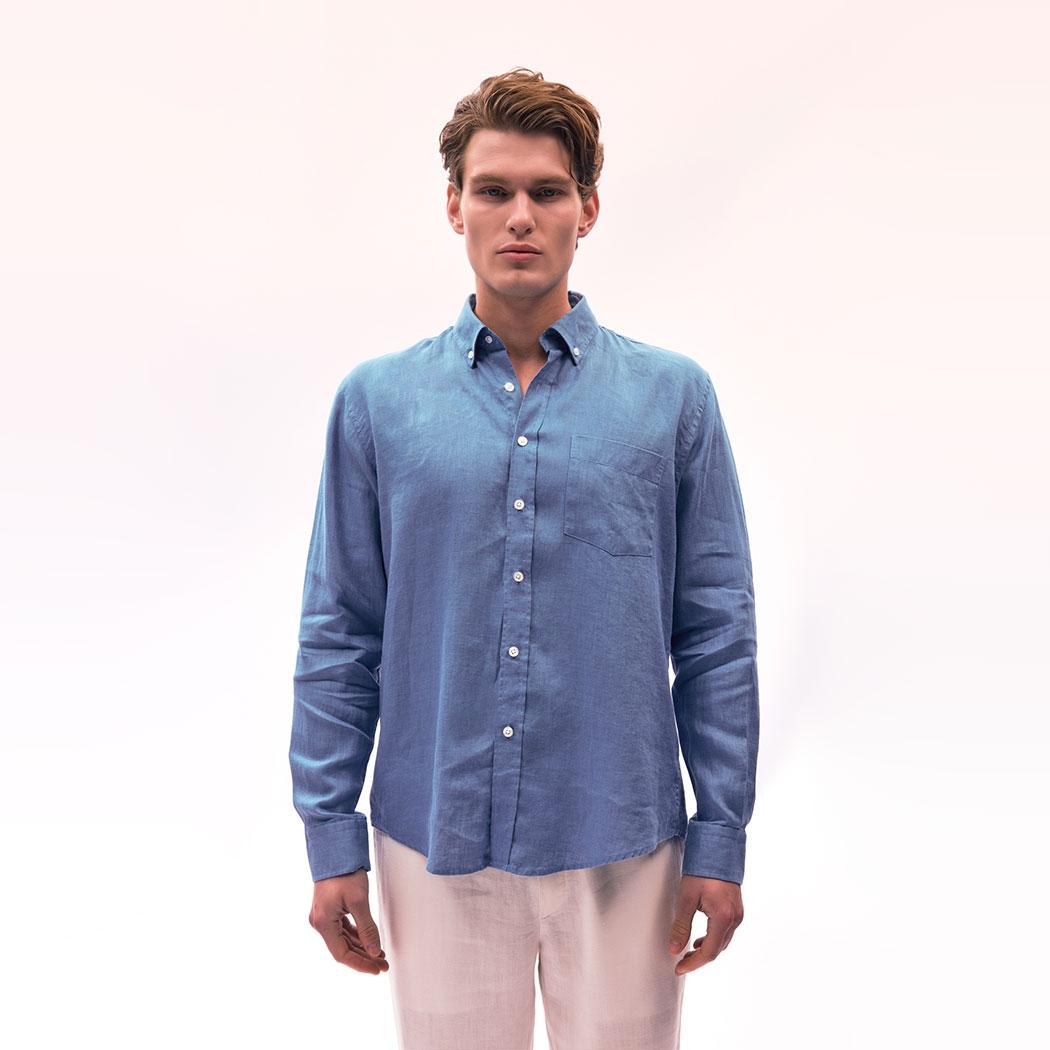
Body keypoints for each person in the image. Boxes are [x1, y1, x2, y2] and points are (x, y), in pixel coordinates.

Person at [290, 69, 759, 1050]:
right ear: (453, 205)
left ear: (588, 209)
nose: (519, 216)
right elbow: (340, 633)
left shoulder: (673, 399)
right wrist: (331, 838)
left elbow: (716, 634)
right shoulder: (377, 404)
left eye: (547, 191)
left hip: (625, 843)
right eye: (493, 189)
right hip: (433, 841)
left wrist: (721, 836)